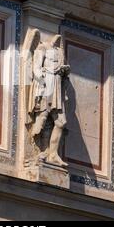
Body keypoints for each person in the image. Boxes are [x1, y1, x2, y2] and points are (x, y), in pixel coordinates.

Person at [27, 34, 70, 167]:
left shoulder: (59, 52)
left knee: (61, 122)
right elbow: (36, 68)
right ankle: (39, 151)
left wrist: (63, 71)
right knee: (42, 118)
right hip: (46, 85)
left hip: (57, 85)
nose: (59, 38)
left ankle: (53, 154)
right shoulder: (42, 47)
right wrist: (42, 84)